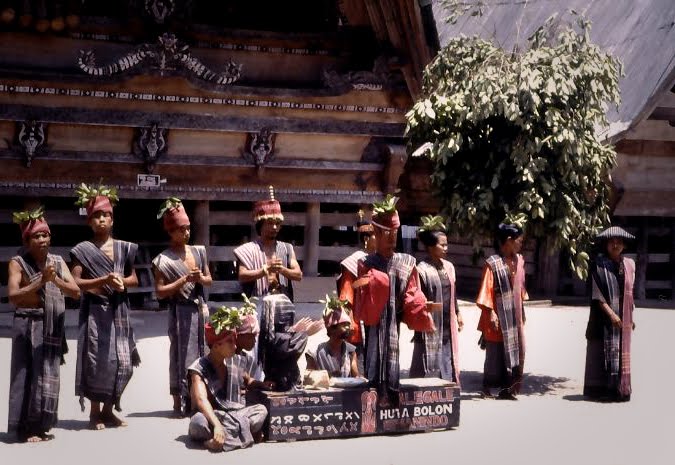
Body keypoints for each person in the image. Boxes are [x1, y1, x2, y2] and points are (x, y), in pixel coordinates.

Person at [353, 195, 435, 405]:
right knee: (372, 354)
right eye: (387, 234)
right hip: (373, 323)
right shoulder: (365, 262)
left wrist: (419, 307)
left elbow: (412, 293)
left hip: (393, 322)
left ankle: (391, 392)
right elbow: (358, 294)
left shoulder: (405, 262)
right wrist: (371, 284)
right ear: (376, 234)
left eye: (395, 234)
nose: (392, 240)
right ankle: (374, 393)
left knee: (392, 352)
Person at [7, 207, 80, 442]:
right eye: (36, 236)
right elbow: (13, 296)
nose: (42, 240)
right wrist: (39, 282)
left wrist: (54, 279)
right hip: (25, 323)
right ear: (27, 241)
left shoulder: (57, 262)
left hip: (49, 325)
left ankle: (41, 426)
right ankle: (24, 428)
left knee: (46, 375)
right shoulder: (17, 263)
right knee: (25, 375)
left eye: (45, 235)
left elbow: (76, 292)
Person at [70, 184, 140, 429]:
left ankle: (109, 410)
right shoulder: (82, 250)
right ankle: (94, 413)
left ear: (112, 219)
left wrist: (123, 283)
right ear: (89, 222)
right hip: (94, 311)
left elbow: (134, 278)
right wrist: (103, 280)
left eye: (105, 215)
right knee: (96, 359)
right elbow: (76, 282)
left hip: (118, 310)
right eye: (96, 216)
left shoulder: (124, 248)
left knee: (121, 360)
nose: (101, 220)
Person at [153, 198, 212, 416]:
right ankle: (178, 402)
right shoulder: (162, 260)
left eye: (188, 229)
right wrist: (183, 281)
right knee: (179, 355)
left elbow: (209, 280)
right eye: (181, 230)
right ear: (171, 231)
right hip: (179, 310)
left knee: (202, 351)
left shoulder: (199, 252)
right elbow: (159, 291)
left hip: (199, 308)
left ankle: (198, 400)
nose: (186, 233)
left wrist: (199, 279)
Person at [187, 306, 268, 452]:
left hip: (234, 414)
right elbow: (201, 400)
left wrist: (264, 385)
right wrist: (217, 424)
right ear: (217, 346)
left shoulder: (234, 361)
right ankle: (227, 435)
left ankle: (222, 437)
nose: (235, 345)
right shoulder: (198, 368)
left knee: (261, 410)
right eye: (230, 341)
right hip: (210, 417)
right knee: (198, 423)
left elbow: (248, 381)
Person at [476, 223, 528, 400]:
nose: (521, 244)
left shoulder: (519, 261)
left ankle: (508, 389)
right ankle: (488, 388)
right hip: (497, 315)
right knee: (495, 353)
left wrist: (522, 311)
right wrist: (491, 313)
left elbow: (521, 288)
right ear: (508, 241)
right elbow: (486, 290)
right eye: (519, 241)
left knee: (515, 350)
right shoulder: (492, 264)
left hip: (514, 316)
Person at [584, 226, 636, 402]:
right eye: (612, 242)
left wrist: (631, 316)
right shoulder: (598, 266)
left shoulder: (629, 265)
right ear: (606, 245)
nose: (615, 245)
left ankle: (620, 389)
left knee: (621, 352)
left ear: (624, 245)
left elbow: (629, 293)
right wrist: (612, 315)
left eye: (619, 242)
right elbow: (597, 296)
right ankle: (602, 390)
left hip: (623, 318)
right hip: (602, 317)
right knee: (601, 352)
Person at [410, 215, 463, 383]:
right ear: (431, 247)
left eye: (447, 244)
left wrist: (458, 313)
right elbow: (418, 300)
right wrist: (426, 318)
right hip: (429, 324)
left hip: (447, 322)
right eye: (443, 244)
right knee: (426, 359)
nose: (446, 248)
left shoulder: (449, 267)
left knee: (447, 358)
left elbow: (453, 293)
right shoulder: (421, 270)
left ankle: (446, 389)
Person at [234, 185, 302, 301]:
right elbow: (242, 275)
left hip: (283, 301)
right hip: (256, 304)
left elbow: (298, 275)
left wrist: (282, 269)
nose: (275, 227)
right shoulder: (248, 249)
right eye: (270, 223)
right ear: (261, 225)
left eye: (277, 223)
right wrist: (265, 270)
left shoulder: (287, 248)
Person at [336, 210, 376, 373]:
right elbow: (346, 294)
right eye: (376, 235)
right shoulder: (354, 262)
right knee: (357, 364)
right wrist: (349, 320)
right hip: (359, 319)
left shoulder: (379, 260)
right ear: (366, 239)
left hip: (375, 318)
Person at [306, 293, 360, 378]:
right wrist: (328, 376)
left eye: (348, 324)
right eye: (343, 325)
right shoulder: (314, 353)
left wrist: (362, 380)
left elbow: (356, 376)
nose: (348, 328)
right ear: (331, 329)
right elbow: (308, 377)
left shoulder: (350, 351)